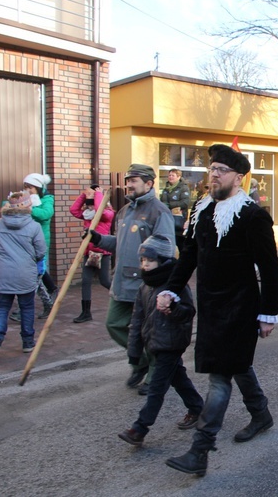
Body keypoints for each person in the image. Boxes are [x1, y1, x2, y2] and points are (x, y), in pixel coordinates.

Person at [162, 144, 278, 477]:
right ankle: (261, 413)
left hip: (241, 308)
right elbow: (188, 256)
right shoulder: (201, 210)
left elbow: (270, 268)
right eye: (211, 169)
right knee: (237, 365)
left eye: (220, 170)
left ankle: (200, 449)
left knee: (219, 378)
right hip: (211, 306)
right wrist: (171, 287)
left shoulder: (252, 215)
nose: (213, 175)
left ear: (238, 178)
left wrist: (268, 313)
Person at [88, 163, 176, 395]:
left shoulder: (160, 211)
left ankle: (155, 374)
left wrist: (153, 274)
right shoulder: (124, 211)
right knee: (114, 324)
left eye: (134, 180)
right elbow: (119, 243)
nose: (129, 184)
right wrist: (98, 239)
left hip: (145, 284)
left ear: (148, 184)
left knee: (149, 332)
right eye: (128, 179)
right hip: (122, 282)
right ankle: (140, 362)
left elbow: (166, 248)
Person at [118, 235, 204, 447]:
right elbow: (137, 320)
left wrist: (172, 308)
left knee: (157, 387)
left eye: (149, 260)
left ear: (163, 260)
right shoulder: (144, 287)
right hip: (153, 342)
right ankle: (197, 407)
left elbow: (188, 312)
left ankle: (140, 428)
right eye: (142, 260)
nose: (144, 264)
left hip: (171, 342)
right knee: (178, 378)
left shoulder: (176, 284)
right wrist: (134, 351)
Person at [0, 192, 47, 354]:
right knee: (27, 307)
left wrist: (3, 257)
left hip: (3, 273)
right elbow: (41, 251)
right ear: (28, 206)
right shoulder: (34, 226)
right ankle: (27, 342)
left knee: (1, 306)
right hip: (25, 273)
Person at [10, 173, 57, 322]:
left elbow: (46, 214)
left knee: (33, 278)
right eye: (25, 187)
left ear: (38, 187)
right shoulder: (25, 199)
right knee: (35, 276)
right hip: (25, 242)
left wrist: (29, 209)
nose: (27, 190)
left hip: (39, 243)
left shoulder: (47, 199)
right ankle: (49, 302)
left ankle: (23, 309)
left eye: (30, 187)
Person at [69, 185, 114, 323]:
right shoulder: (88, 216)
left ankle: (124, 299)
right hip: (89, 252)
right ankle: (86, 312)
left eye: (91, 206)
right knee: (86, 281)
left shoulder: (107, 214)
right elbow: (73, 210)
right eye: (87, 206)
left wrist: (98, 195)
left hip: (103, 253)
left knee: (105, 281)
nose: (89, 209)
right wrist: (84, 195)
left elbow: (100, 211)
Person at [160, 168, 191, 251]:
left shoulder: (183, 188)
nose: (170, 177)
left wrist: (169, 205)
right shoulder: (166, 189)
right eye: (169, 175)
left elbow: (185, 203)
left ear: (178, 177)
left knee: (181, 246)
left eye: (173, 175)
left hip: (178, 222)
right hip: (167, 221)